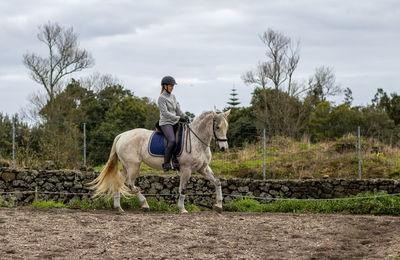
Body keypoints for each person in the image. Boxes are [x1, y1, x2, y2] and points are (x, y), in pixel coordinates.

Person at [157, 76, 189, 171]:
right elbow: (165, 113)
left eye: (173, 86)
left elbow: (178, 109)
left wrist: (185, 116)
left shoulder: (173, 96)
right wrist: (179, 118)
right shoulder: (161, 98)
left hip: (174, 122)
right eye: (171, 86)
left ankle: (175, 160)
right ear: (165, 86)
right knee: (172, 141)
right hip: (165, 123)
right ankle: (166, 163)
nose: (172, 87)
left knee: (181, 139)